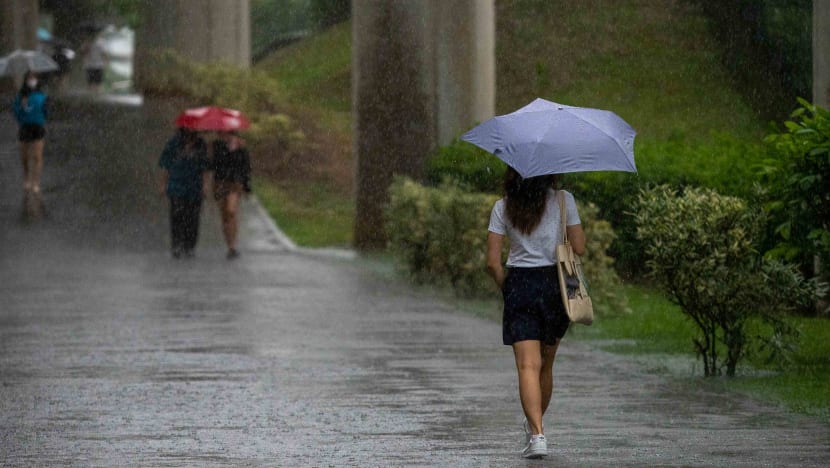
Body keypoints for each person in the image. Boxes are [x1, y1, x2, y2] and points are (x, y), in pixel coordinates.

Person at [485, 167, 586, 459]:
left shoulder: (503, 206)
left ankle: (537, 435)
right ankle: (535, 427)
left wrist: (509, 288)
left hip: (520, 283)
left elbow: (492, 262)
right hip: (555, 286)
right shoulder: (564, 200)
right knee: (546, 364)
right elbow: (579, 247)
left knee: (528, 365)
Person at [158, 128, 211, 259]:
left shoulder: (201, 145)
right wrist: (163, 184)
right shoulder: (173, 143)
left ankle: (189, 245)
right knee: (177, 215)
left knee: (193, 217)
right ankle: (177, 244)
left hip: (194, 186)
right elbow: (165, 165)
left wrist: (205, 185)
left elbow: (205, 167)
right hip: (177, 184)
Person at [210, 130, 252, 259]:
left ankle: (233, 245)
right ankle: (229, 246)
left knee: (231, 211)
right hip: (220, 183)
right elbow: (213, 166)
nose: (224, 136)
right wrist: (211, 153)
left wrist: (246, 187)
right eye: (222, 134)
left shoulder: (241, 148)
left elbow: (246, 167)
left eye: (228, 134)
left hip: (234, 183)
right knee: (224, 216)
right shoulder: (216, 146)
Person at [12, 71, 49, 194]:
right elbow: (16, 114)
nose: (32, 80)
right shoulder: (20, 96)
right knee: (25, 157)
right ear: (26, 80)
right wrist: (21, 107)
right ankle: (27, 177)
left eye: (34, 78)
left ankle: (36, 182)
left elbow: (46, 113)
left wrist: (41, 116)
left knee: (37, 156)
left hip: (38, 128)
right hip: (25, 128)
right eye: (29, 78)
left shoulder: (42, 96)